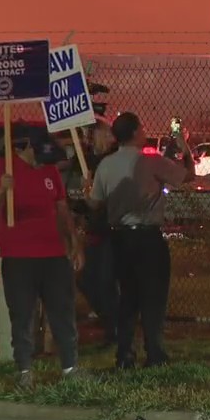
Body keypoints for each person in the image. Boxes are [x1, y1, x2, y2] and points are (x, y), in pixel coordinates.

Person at [88, 112, 195, 369]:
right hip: (148, 237)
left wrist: (87, 190)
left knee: (128, 295)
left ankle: (125, 353)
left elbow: (95, 203)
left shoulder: (106, 165)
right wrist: (185, 148)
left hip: (119, 238)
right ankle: (154, 352)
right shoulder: (151, 162)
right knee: (153, 295)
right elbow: (187, 175)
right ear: (136, 132)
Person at [0, 130, 84, 389]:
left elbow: (62, 209)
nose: (43, 163)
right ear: (29, 147)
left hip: (53, 254)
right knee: (23, 314)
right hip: (19, 255)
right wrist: (0, 191)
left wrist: (72, 242)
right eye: (39, 157)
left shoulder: (50, 171)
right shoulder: (4, 168)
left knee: (62, 311)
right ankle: (24, 370)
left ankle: (70, 367)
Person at [71, 120, 119, 350]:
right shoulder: (90, 161)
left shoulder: (113, 161)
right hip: (95, 230)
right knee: (87, 280)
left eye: (94, 134)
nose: (90, 138)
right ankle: (112, 324)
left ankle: (115, 331)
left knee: (104, 281)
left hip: (111, 230)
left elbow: (101, 200)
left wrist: (90, 194)